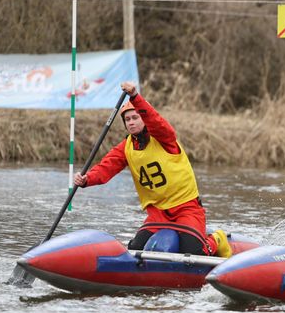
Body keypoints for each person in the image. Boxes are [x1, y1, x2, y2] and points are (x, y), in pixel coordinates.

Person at [74, 81, 231, 257]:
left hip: (186, 208)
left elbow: (156, 120)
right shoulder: (126, 147)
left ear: (143, 118)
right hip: (158, 214)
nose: (131, 123)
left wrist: (135, 97)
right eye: (127, 120)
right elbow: (106, 168)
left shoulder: (164, 138)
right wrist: (87, 179)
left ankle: (218, 238)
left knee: (194, 252)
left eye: (135, 118)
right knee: (135, 249)